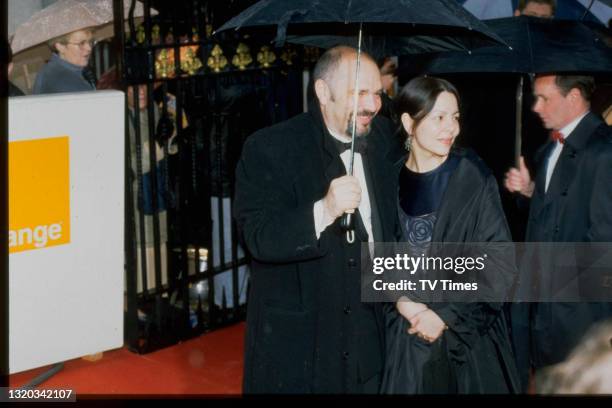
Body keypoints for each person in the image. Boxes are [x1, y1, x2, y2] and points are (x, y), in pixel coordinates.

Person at [234, 46, 399, 393]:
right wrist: (324, 209)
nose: (373, 105)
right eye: (360, 93)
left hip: (371, 341)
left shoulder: (384, 138)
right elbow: (259, 236)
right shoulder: (270, 148)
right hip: (305, 347)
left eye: (378, 93)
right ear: (323, 92)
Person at [381, 76, 520, 394]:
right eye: (439, 117)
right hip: (405, 339)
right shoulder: (388, 178)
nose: (451, 128)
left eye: (455, 117)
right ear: (408, 122)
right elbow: (377, 256)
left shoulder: (471, 175)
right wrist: (404, 302)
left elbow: (499, 264)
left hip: (466, 341)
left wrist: (443, 317)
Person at [504, 74, 612, 391]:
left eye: (544, 98)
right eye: (534, 98)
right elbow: (557, 215)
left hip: (578, 317)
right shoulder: (550, 148)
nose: (536, 107)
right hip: (543, 310)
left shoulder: (604, 152)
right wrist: (529, 192)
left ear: (574, 97)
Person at [33, 28, 96, 94]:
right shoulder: (66, 81)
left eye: (90, 42)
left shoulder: (50, 68)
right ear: (60, 46)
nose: (89, 48)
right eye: (81, 43)